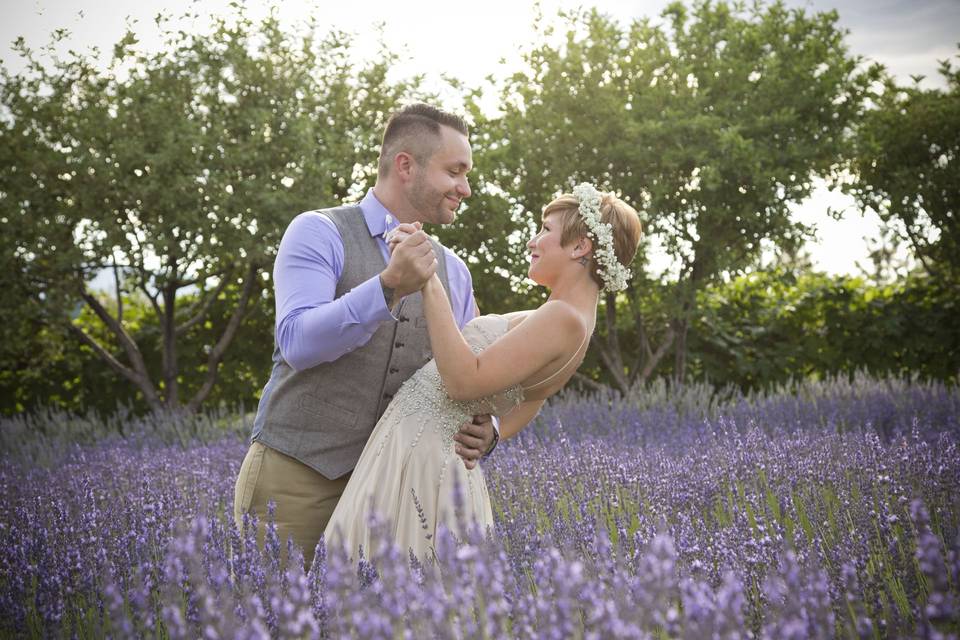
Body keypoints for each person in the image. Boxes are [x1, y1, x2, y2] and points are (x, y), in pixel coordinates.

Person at [234, 104, 507, 568]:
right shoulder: (319, 232)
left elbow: (462, 374)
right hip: (294, 479)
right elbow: (298, 342)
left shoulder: (456, 274)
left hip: (397, 494)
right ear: (406, 165)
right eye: (455, 171)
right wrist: (387, 287)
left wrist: (489, 428)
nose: (466, 187)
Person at [324, 182, 642, 562]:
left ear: (580, 247)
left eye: (545, 230)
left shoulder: (563, 318)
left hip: (423, 461)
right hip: (427, 455)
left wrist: (429, 280)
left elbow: (462, 381)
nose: (533, 241)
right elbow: (534, 395)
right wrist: (493, 429)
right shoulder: (571, 320)